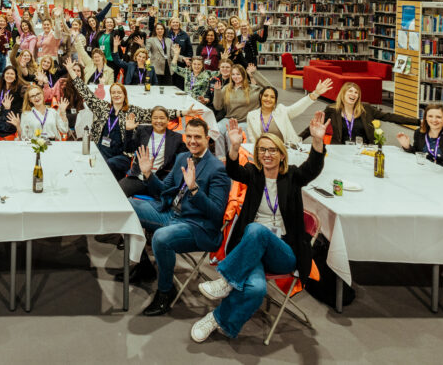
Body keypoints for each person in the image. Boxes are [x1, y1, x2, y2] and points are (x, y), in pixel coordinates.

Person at [190, 113, 327, 342]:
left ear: (282, 154)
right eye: (263, 150)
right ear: (257, 154)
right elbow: (233, 170)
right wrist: (234, 146)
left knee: (256, 230)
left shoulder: (293, 176)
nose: (267, 154)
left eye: (272, 150)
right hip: (252, 252)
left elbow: (312, 167)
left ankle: (225, 281)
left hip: (283, 251)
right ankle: (216, 319)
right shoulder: (254, 174)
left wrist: (317, 141)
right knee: (255, 289)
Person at [127, 118, 231, 316]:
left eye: (197, 137)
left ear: (207, 139)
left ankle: (165, 291)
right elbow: (163, 191)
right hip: (171, 213)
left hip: (197, 225)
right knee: (128, 206)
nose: (192, 141)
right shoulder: (183, 157)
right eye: (189, 136)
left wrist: (194, 189)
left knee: (161, 238)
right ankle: (144, 266)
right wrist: (149, 175)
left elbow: (216, 215)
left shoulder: (217, 170)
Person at [67, 61, 179, 178]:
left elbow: (153, 114)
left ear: (124, 95)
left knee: (107, 165)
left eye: (119, 92)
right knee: (86, 164)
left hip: (121, 156)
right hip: (101, 150)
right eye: (113, 93)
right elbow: (86, 93)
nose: (116, 95)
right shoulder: (103, 108)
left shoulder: (132, 111)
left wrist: (180, 112)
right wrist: (71, 71)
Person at [301, 81, 418, 145]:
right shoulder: (332, 110)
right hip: (341, 149)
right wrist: (298, 139)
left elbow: (390, 117)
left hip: (364, 150)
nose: (353, 94)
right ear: (343, 94)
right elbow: (314, 126)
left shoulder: (366, 109)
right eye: (350, 91)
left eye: (356, 92)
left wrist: (418, 122)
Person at [118, 107, 188, 197]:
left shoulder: (176, 138)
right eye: (155, 118)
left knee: (165, 200)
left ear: (167, 120)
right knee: (118, 194)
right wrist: (128, 131)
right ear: (151, 119)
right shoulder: (142, 130)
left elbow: (186, 155)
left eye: (162, 118)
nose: (158, 121)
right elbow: (129, 149)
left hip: (158, 180)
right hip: (139, 177)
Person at [246, 80, 331, 150]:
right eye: (266, 96)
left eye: (272, 97)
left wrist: (315, 93)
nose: (268, 99)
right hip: (264, 152)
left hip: (287, 151)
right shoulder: (251, 115)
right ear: (260, 96)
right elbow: (253, 139)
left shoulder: (281, 110)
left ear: (276, 100)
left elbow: (298, 107)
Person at [212, 65, 261, 158]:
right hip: (229, 119)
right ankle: (221, 158)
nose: (235, 77)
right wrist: (217, 92)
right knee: (216, 129)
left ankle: (234, 159)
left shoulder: (252, 89)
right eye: (233, 74)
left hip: (244, 121)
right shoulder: (227, 88)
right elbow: (218, 107)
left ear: (243, 75)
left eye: (238, 74)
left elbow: (271, 88)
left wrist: (255, 74)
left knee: (229, 134)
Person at [3, 85, 69, 141]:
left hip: (53, 145)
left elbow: (64, 130)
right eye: (32, 96)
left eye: (38, 94)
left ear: (43, 94)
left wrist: (63, 112)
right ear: (30, 100)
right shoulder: (26, 114)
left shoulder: (53, 112)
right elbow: (23, 138)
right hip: (35, 146)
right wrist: (18, 126)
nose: (36, 97)